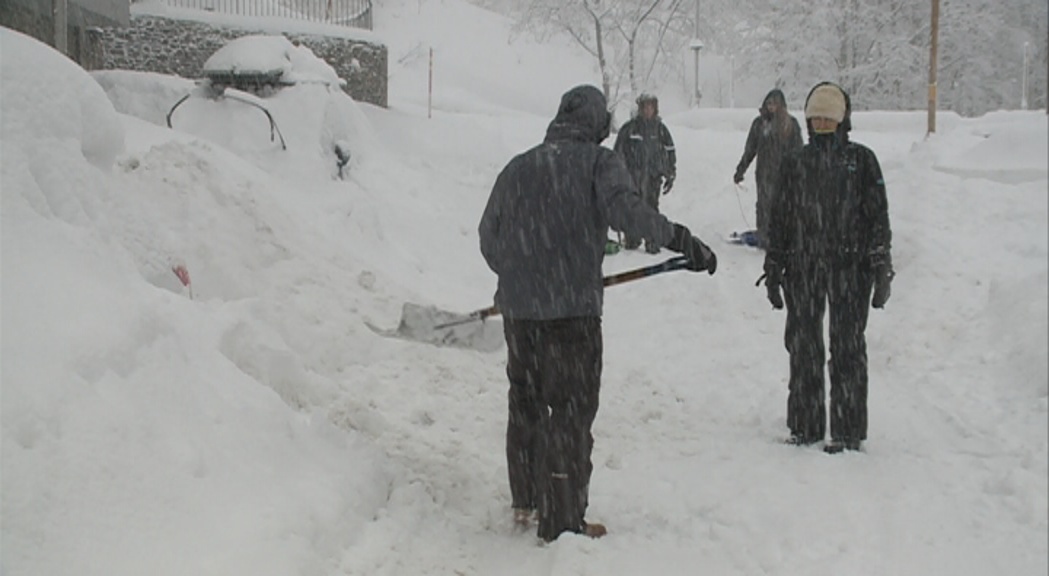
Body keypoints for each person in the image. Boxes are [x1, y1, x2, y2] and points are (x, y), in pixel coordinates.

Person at [478, 84, 716, 542]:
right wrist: (682, 239)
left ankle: (525, 499)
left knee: (525, 401)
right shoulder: (597, 162)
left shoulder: (518, 167)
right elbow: (628, 213)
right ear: (597, 124)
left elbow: (490, 237)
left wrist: (524, 274)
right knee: (569, 409)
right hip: (572, 314)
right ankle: (562, 519)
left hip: (521, 314)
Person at [760, 81, 894, 455]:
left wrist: (880, 264)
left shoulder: (862, 161)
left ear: (842, 119)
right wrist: (775, 264)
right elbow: (780, 218)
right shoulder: (795, 162)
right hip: (804, 266)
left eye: (828, 116)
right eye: (815, 115)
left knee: (848, 347)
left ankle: (848, 430)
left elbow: (878, 217)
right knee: (804, 346)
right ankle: (805, 424)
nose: (821, 122)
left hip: (851, 268)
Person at [733, 89, 804, 249]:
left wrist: (800, 173)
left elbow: (799, 152)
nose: (771, 107)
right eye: (769, 103)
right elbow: (750, 150)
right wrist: (740, 170)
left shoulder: (791, 125)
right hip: (764, 175)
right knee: (764, 207)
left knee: (786, 207)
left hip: (786, 175)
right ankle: (765, 239)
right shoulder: (759, 124)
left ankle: (785, 239)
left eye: (775, 104)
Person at [613, 93, 677, 253]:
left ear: (655, 108)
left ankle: (652, 240)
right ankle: (632, 238)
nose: (648, 110)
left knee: (651, 208)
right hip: (632, 177)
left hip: (654, 177)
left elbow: (670, 151)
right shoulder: (630, 128)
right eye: (645, 106)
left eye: (651, 106)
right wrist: (619, 174)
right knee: (633, 207)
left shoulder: (661, 130)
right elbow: (618, 153)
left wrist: (670, 173)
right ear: (640, 108)